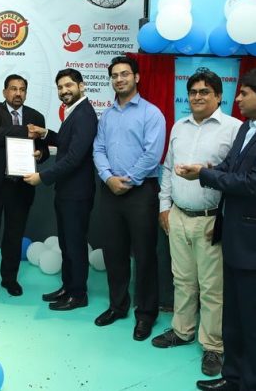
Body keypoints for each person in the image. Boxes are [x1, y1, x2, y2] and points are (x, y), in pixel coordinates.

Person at [151, 69, 242, 376]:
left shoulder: (234, 129)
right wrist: (165, 206)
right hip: (178, 217)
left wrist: (221, 214)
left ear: (219, 96)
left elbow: (235, 178)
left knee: (212, 288)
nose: (198, 97)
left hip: (211, 220)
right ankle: (182, 330)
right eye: (193, 92)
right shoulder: (179, 126)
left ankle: (213, 345)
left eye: (205, 92)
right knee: (183, 280)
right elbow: (167, 169)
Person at [176, 69, 256, 391]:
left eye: (244, 93)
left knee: (250, 322)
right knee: (234, 318)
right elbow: (230, 168)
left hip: (251, 243)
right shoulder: (247, 128)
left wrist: (204, 176)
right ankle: (233, 378)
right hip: (234, 236)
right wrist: (205, 170)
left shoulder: (236, 126)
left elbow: (250, 183)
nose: (239, 99)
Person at [93, 55, 166, 341]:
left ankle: (146, 314)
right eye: (114, 75)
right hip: (110, 190)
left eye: (124, 74)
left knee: (145, 255)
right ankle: (118, 306)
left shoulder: (151, 113)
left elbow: (152, 154)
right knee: (114, 252)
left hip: (141, 192)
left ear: (136, 77)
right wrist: (108, 177)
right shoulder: (107, 115)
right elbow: (98, 149)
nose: (119, 79)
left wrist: (128, 180)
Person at [24, 68, 98, 310]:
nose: (64, 90)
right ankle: (68, 287)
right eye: (60, 87)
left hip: (77, 193)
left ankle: (78, 295)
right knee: (67, 244)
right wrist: (45, 133)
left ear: (81, 86)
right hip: (67, 192)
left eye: (69, 85)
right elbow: (67, 142)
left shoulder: (85, 114)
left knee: (75, 245)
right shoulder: (74, 111)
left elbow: (74, 157)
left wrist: (42, 176)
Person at [0, 74, 49, 298]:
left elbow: (44, 149)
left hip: (20, 187)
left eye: (22, 89)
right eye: (13, 89)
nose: (18, 93)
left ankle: (10, 278)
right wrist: (25, 131)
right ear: (5, 92)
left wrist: (40, 153)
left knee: (14, 236)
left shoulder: (36, 116)